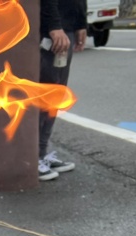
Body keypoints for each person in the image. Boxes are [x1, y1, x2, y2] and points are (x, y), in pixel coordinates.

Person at [38, 0, 87, 181]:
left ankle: (41, 153)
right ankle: (31, 156)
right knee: (44, 95)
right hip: (50, 30)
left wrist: (80, 23)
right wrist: (54, 26)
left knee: (56, 94)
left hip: (66, 26)